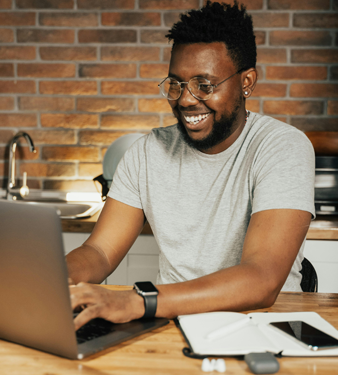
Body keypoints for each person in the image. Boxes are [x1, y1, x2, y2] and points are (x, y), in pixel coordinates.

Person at [66, 0, 315, 331]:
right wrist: (49, 279)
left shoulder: (282, 147)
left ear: (247, 82)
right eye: (176, 84)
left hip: (263, 327)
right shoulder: (146, 153)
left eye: (204, 85)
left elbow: (262, 279)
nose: (185, 99)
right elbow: (99, 251)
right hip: (169, 324)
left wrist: (139, 301)